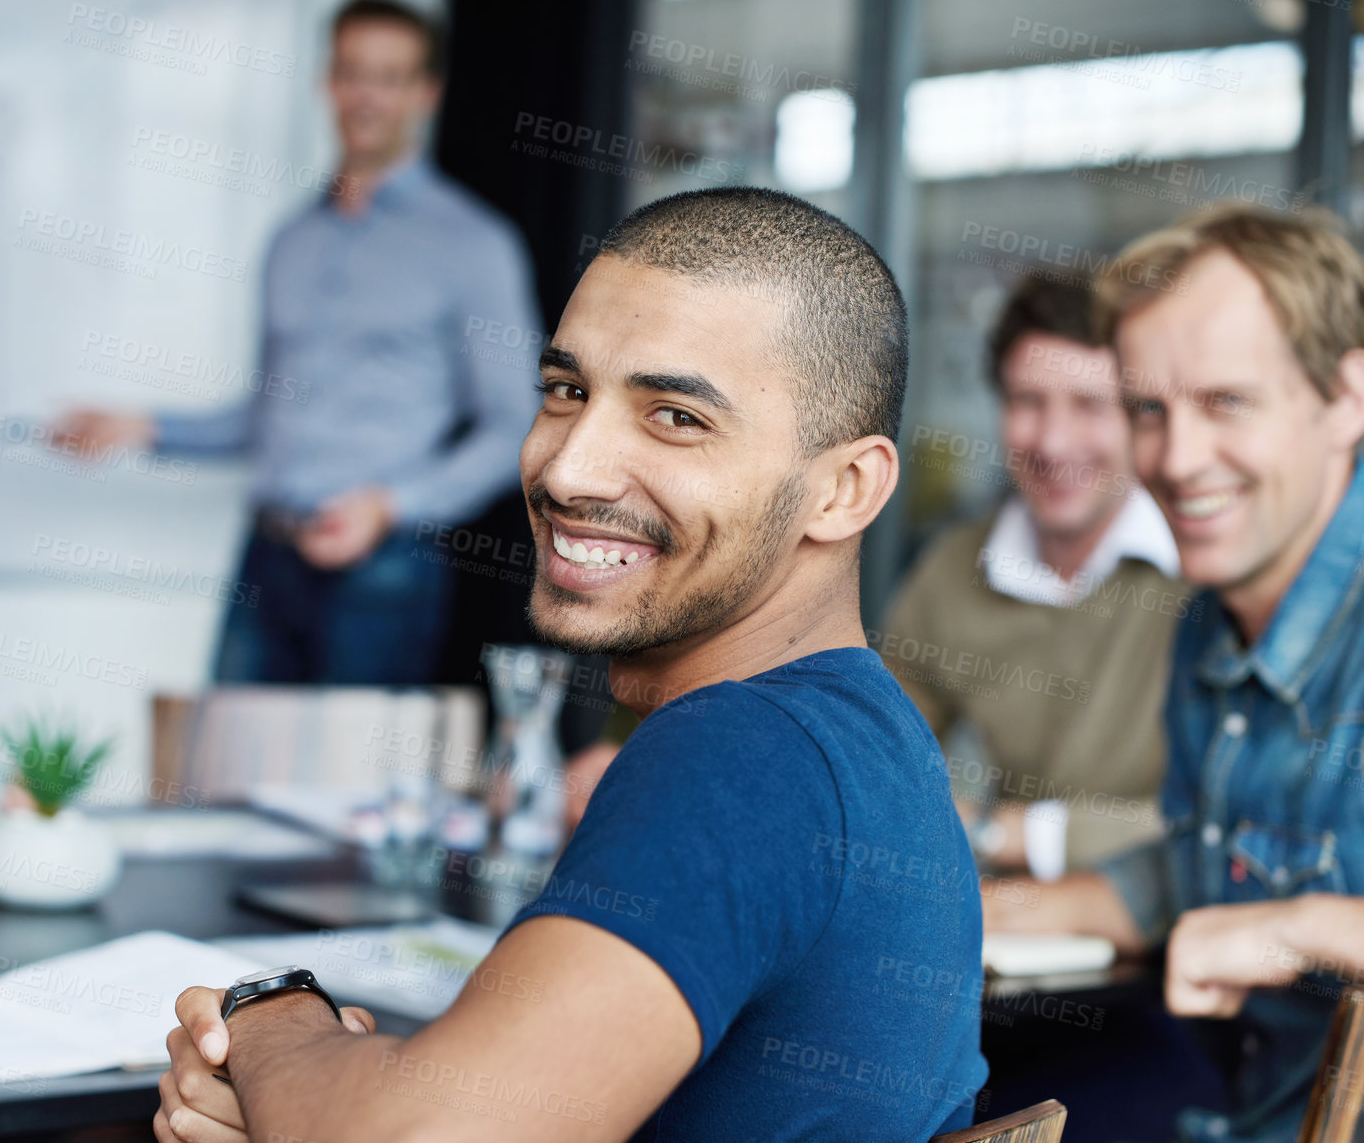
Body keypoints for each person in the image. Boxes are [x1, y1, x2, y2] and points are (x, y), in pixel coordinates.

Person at [151, 189, 987, 1143]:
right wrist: (321, 1096)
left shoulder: (740, 754)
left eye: (674, 416)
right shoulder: (860, 736)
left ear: (843, 490)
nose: (566, 470)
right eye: (566, 391)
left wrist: (270, 1019)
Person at [985, 204, 1364, 1143]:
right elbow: (1204, 867)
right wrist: (973, 912)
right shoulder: (1207, 625)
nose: (1174, 460)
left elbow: (1264, 910)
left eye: (1226, 402)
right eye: (1148, 410)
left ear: (1346, 398)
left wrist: (1298, 930)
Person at [54, 0, 541, 685]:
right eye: (352, 72)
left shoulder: (474, 244)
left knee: (352, 790)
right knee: (220, 774)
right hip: (268, 556)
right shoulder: (292, 239)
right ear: (328, 82)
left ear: (425, 93)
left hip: (385, 570)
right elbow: (268, 412)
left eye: (390, 76)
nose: (367, 96)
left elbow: (512, 426)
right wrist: (138, 426)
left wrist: (388, 505)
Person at [882, 273, 1184, 873]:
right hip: (1022, 930)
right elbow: (877, 753)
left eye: (1089, 405)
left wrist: (1013, 834)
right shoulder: (954, 566)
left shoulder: (1204, 568)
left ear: (1140, 419)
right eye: (1028, 402)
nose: (1053, 440)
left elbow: (1235, 829)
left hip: (1179, 930)